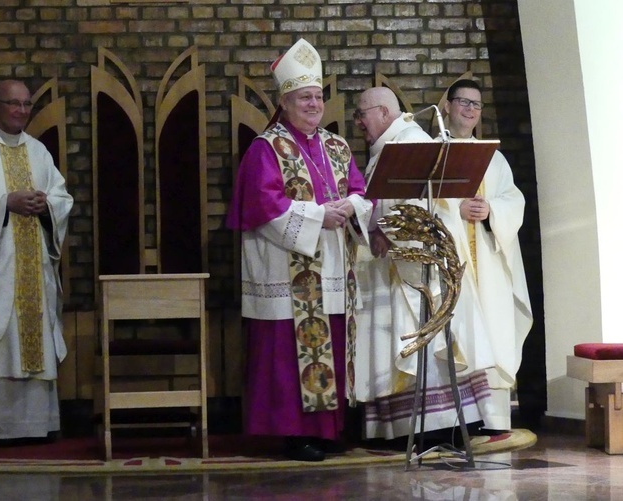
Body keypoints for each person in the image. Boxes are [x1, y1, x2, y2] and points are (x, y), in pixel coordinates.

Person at [227, 38, 373, 462]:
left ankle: (328, 431)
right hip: (288, 275)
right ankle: (294, 434)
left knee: (331, 346)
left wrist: (351, 206)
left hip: (331, 271)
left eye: (317, 96)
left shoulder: (337, 147)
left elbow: (363, 193)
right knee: (291, 357)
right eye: (303, 97)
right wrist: (316, 218)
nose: (313, 104)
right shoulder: (266, 148)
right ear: (284, 101)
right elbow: (263, 204)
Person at [353, 86, 497, 441]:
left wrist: (384, 228)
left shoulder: (410, 144)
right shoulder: (389, 145)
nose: (358, 123)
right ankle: (406, 426)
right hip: (394, 268)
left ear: (384, 113)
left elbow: (423, 207)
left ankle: (431, 428)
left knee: (423, 338)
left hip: (414, 268)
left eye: (362, 114)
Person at [0, 80, 73, 441]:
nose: (21, 111)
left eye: (26, 104)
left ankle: (33, 425)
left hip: (32, 266)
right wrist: (4, 203)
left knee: (30, 338)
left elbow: (61, 195)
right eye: (13, 104)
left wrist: (47, 206)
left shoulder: (38, 151)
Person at [435, 79, 533, 432]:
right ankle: (455, 422)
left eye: (476, 104)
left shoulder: (494, 157)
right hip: (449, 265)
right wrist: (453, 210)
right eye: (463, 102)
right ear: (447, 105)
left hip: (487, 265)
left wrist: (491, 208)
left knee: (491, 330)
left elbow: (514, 200)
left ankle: (492, 419)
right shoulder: (430, 152)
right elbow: (419, 204)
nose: (470, 109)